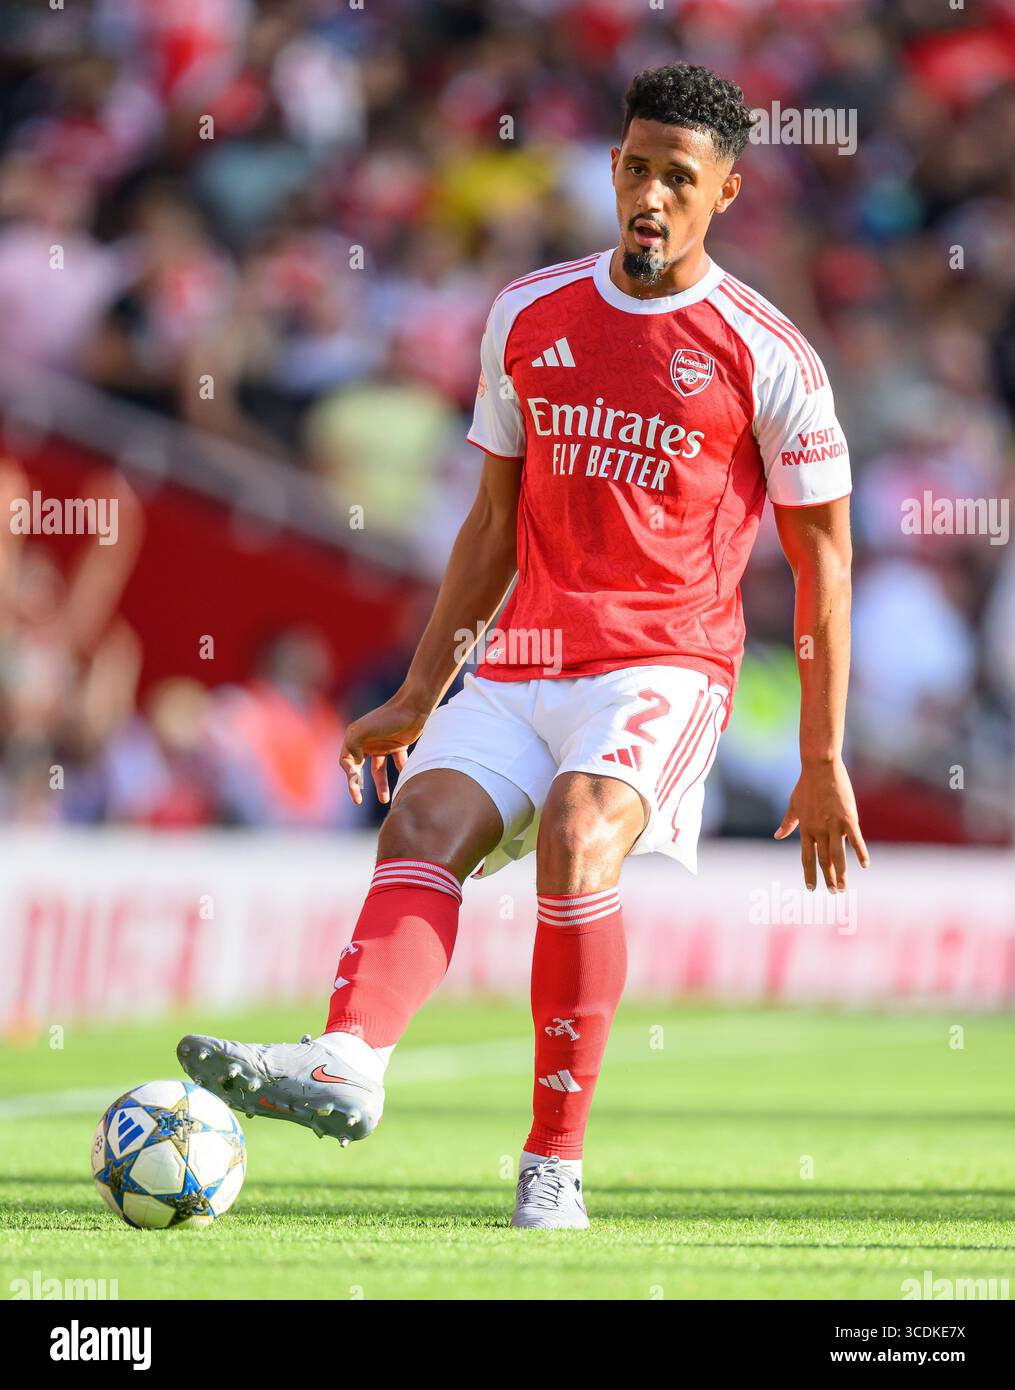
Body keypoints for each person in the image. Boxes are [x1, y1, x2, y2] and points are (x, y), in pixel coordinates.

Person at [179, 63, 869, 1229]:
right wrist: (416, 689)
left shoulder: (769, 354)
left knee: (577, 829)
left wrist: (822, 753)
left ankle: (554, 1163)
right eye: (636, 168)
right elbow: (493, 524)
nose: (650, 194)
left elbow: (825, 562)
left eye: (679, 178)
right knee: (422, 821)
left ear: (727, 194)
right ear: (611, 168)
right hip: (523, 654)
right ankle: (349, 1058)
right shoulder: (528, 313)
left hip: (666, 661)